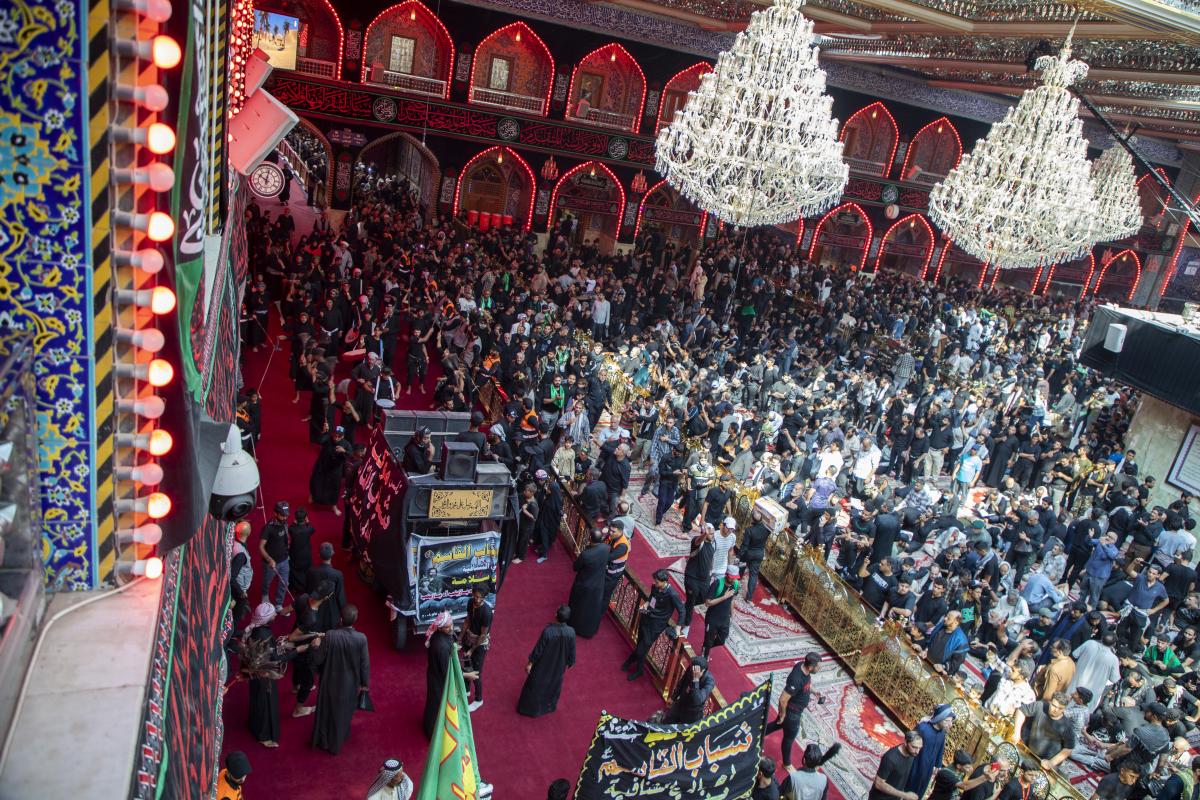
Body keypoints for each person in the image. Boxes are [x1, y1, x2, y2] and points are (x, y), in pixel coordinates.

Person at [310, 604, 370, 754]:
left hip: (329, 679)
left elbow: (318, 660)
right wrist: (365, 684)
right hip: (350, 683)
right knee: (343, 712)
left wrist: (315, 647)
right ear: (355, 620)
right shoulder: (361, 638)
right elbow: (365, 664)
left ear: (341, 619)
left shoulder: (330, 635)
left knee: (327, 711)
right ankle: (337, 741)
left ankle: (324, 741)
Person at [621, 569, 683, 681]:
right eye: (655, 581)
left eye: (657, 582)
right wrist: (646, 605)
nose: (655, 583)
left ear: (665, 581)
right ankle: (630, 662)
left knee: (641, 649)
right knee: (639, 643)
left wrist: (678, 628)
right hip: (646, 617)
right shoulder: (655, 587)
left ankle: (638, 670)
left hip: (656, 626)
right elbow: (652, 598)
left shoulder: (673, 595)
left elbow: (682, 611)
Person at [517, 605, 577, 718]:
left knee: (535, 685)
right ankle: (548, 706)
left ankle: (529, 709)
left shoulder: (548, 631)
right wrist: (570, 662)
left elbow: (538, 650)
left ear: (556, 615)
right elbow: (572, 651)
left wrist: (530, 663)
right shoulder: (571, 632)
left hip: (543, 664)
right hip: (559, 665)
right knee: (553, 684)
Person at [765, 652, 822, 768]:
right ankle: (787, 764)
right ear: (810, 667)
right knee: (789, 738)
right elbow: (782, 700)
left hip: (793, 712)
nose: (820, 669)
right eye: (818, 667)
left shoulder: (803, 666)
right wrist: (783, 714)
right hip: (792, 714)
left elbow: (805, 683)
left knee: (778, 724)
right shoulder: (796, 679)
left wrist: (814, 691)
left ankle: (758, 732)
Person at [1013, 691, 1075, 771]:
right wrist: (1017, 732)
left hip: (1046, 762)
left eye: (1060, 708)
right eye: (1054, 705)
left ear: (1064, 709)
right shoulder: (1040, 705)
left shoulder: (1066, 726)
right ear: (1050, 702)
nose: (1056, 710)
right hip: (1028, 750)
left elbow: (1068, 748)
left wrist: (1051, 763)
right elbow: (1021, 711)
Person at [567, 529, 610, 639]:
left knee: (579, 607)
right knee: (592, 608)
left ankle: (575, 626)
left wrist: (586, 550)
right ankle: (589, 630)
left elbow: (575, 567)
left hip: (584, 584)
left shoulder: (586, 555)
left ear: (590, 538)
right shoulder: (606, 548)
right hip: (598, 584)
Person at [905, 704, 955, 798]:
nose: (950, 724)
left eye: (951, 721)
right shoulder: (923, 728)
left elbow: (940, 748)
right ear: (939, 719)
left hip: (928, 766)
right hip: (916, 763)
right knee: (910, 783)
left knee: (921, 786)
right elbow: (909, 742)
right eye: (947, 721)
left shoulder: (942, 733)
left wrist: (938, 765)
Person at [461, 584, 493, 712]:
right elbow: (467, 620)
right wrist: (460, 638)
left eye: (480, 598)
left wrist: (471, 650)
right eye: (475, 596)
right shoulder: (470, 602)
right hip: (468, 639)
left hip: (479, 645)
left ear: (485, 597)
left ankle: (479, 699)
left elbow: (483, 635)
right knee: (468, 665)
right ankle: (467, 690)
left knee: (476, 673)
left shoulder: (486, 612)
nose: (477, 599)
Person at [681, 524, 715, 637]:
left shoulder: (712, 545)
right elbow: (698, 541)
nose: (712, 534)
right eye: (710, 532)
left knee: (705, 599)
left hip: (704, 580)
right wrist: (704, 534)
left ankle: (684, 605)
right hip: (692, 578)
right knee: (691, 601)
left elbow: (710, 560)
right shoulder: (697, 541)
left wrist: (711, 574)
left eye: (713, 533)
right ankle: (686, 625)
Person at [869, 730, 921, 800]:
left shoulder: (911, 754)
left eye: (920, 748)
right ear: (905, 742)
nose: (917, 751)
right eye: (914, 747)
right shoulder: (890, 758)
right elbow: (879, 784)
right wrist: (904, 795)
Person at [702, 564, 741, 658]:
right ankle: (705, 655)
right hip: (713, 618)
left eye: (735, 578)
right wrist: (724, 597)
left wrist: (732, 613)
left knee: (721, 640)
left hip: (725, 618)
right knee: (709, 639)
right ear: (726, 574)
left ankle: (706, 647)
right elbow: (707, 603)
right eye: (731, 578)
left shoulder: (735, 584)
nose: (733, 580)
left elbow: (732, 599)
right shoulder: (717, 584)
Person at [259, 501, 291, 611]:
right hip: (271, 563)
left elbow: (285, 540)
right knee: (267, 582)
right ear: (275, 513)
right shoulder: (268, 528)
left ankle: (278, 603)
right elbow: (261, 547)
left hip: (284, 560)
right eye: (282, 515)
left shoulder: (285, 523)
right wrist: (269, 559)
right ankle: (265, 597)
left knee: (284, 583)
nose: (285, 517)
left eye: (286, 515)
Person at [309, 425, 349, 514]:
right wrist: (323, 432)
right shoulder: (327, 439)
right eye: (335, 434)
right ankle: (312, 495)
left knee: (334, 488)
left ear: (343, 436)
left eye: (339, 435)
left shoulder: (346, 444)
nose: (337, 437)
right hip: (322, 466)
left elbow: (351, 456)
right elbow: (319, 440)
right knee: (316, 482)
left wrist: (344, 451)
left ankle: (333, 506)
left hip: (335, 471)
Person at [664, 655, 715, 724]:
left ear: (702, 671)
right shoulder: (691, 669)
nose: (692, 671)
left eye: (695, 671)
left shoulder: (709, 681)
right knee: (667, 723)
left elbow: (697, 700)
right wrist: (673, 697)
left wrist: (696, 680)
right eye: (692, 669)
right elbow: (682, 682)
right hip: (680, 704)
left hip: (692, 714)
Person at [308, 542, 347, 632]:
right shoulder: (338, 574)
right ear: (333, 553)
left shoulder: (311, 571)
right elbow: (340, 596)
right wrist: (344, 614)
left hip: (315, 609)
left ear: (318, 555)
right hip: (332, 612)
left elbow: (309, 591)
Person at [740, 516, 772, 600]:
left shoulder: (749, 530)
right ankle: (749, 597)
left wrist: (739, 555)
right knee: (753, 575)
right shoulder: (767, 529)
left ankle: (734, 590)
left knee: (741, 569)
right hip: (759, 554)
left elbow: (745, 545)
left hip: (748, 553)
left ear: (752, 519)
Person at [287, 508, 315, 592]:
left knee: (295, 570)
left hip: (295, 553)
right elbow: (312, 528)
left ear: (295, 518)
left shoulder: (292, 529)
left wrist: (294, 523)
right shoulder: (309, 529)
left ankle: (295, 587)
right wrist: (308, 521)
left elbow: (291, 528)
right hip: (306, 553)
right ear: (306, 518)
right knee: (306, 570)